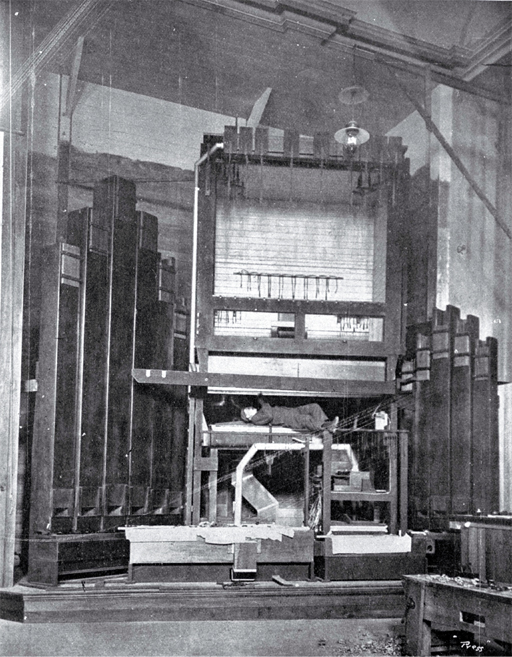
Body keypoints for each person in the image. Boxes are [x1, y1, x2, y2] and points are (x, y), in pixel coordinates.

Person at [241, 399, 338, 433]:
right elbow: (269, 415)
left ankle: (327, 425)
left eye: (248, 407)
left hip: (291, 411)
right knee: (306, 419)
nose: (249, 408)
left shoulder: (258, 413)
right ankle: (327, 427)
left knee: (314, 407)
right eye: (247, 410)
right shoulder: (255, 419)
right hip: (288, 419)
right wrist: (263, 403)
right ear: (248, 418)